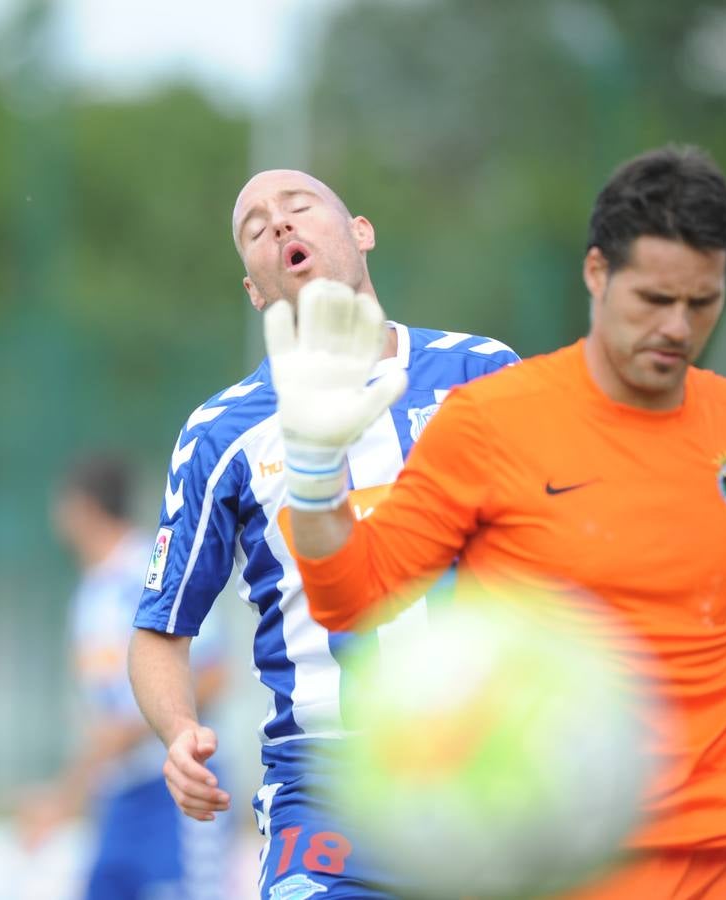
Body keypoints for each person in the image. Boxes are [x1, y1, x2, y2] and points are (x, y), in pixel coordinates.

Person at [272, 146, 726, 898]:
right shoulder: (490, 421)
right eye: (652, 299)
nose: (677, 327)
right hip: (557, 860)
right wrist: (316, 478)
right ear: (596, 274)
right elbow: (354, 593)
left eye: (701, 302)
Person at [127, 168, 519, 898]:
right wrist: (179, 733)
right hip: (326, 784)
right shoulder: (223, 432)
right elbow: (160, 629)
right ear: (255, 290)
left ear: (361, 232)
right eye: (255, 228)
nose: (278, 224)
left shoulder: (485, 373)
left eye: (299, 207)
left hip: (490, 769)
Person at [19, 454, 232, 899]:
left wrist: (149, 726)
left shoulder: (149, 571)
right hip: (118, 795)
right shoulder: (91, 590)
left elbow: (213, 675)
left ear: (81, 508)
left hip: (173, 791)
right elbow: (105, 719)